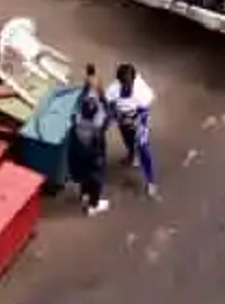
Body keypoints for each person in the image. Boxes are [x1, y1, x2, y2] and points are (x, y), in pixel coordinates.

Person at [106, 62, 157, 196]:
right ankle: (131, 154)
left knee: (143, 147)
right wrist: (112, 117)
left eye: (128, 82)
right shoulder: (113, 90)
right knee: (127, 139)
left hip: (138, 118)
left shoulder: (142, 93)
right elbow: (109, 105)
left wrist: (137, 123)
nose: (125, 86)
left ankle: (150, 181)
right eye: (123, 82)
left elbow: (144, 112)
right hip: (122, 118)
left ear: (133, 80)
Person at [67, 92, 109, 215]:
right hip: (93, 160)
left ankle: (84, 196)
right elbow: (100, 149)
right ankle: (93, 206)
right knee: (96, 182)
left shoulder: (75, 125)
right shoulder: (96, 129)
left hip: (78, 159)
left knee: (84, 178)